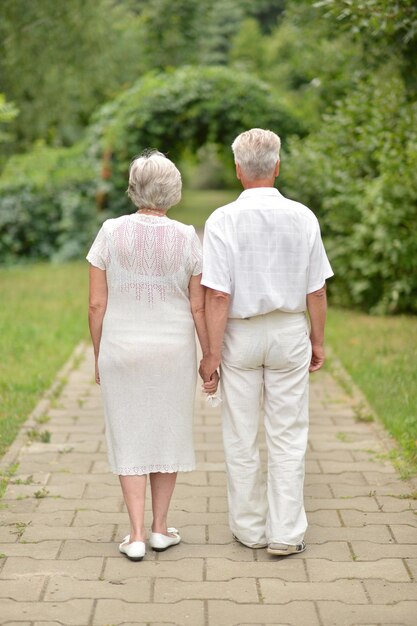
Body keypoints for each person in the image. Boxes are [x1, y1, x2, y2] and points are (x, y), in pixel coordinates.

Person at [200, 128, 333, 556]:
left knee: (241, 435)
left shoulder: (222, 220)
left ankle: (250, 529)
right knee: (288, 433)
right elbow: (316, 290)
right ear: (277, 166)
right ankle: (287, 532)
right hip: (290, 330)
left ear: (238, 170)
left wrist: (212, 354)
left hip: (240, 333)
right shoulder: (303, 217)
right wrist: (318, 340)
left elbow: (217, 293)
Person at [87, 150, 218, 561]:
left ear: (132, 187)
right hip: (172, 351)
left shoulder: (109, 232)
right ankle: (162, 528)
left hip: (121, 349)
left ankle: (137, 534)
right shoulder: (186, 237)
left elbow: (95, 305)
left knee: (127, 433)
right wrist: (209, 355)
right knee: (167, 430)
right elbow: (198, 307)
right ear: (173, 191)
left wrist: (98, 355)